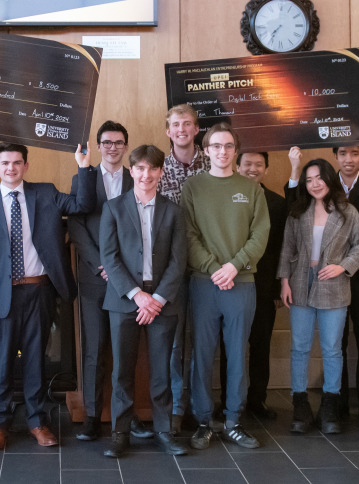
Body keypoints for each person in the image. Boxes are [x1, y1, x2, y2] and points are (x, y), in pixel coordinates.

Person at [0, 142, 96, 450]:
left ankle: (37, 422)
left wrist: (84, 167)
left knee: (36, 360)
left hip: (39, 290)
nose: (11, 168)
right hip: (1, 295)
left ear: (26, 166)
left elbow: (83, 205)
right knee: (0, 362)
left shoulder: (47, 193)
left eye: (17, 162)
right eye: (5, 163)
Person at [286, 135, 359, 424]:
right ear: (335, 157)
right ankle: (335, 403)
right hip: (319, 279)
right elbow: (293, 209)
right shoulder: (318, 187)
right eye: (343, 153)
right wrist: (295, 167)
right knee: (331, 342)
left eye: (355, 153)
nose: (349, 159)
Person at [181, 122, 268, 450]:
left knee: (237, 354)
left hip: (241, 283)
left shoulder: (251, 189)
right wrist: (215, 268)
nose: (222, 151)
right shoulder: (193, 187)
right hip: (204, 284)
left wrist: (233, 266)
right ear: (205, 150)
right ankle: (203, 421)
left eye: (228, 146)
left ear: (235, 150)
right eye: (215, 146)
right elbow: (188, 234)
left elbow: (259, 235)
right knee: (202, 354)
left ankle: (233, 420)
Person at [99, 144, 188, 458]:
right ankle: (120, 434)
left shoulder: (175, 211)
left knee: (162, 370)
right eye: (140, 168)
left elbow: (179, 262)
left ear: (160, 172)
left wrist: (157, 299)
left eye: (152, 169)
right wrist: (138, 297)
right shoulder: (113, 208)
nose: (146, 174)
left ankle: (164, 432)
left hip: (163, 302)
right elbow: (109, 259)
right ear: (131, 170)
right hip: (124, 301)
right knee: (122, 370)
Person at [68, 121, 153, 441]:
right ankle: (92, 415)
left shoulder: (138, 180)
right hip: (95, 279)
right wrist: (101, 264)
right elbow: (76, 226)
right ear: (98, 146)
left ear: (126, 146)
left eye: (119, 142)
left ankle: (126, 415)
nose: (113, 147)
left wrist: (123, 270)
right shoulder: (82, 178)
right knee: (94, 348)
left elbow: (145, 227)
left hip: (130, 281)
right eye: (107, 142)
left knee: (126, 350)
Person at [279, 158, 359, 434]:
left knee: (332, 349)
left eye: (319, 178)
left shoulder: (347, 212)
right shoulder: (298, 212)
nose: (314, 184)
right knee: (300, 348)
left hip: (335, 286)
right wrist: (284, 282)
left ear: (330, 179)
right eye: (309, 180)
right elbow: (287, 248)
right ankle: (300, 405)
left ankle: (330, 406)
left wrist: (342, 266)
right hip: (300, 284)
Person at [219, 151, 287, 420]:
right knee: (229, 345)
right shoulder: (224, 197)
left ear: (266, 169)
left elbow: (283, 249)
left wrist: (276, 288)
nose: (252, 168)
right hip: (230, 284)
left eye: (259, 164)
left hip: (263, 286)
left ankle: (258, 400)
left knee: (261, 344)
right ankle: (227, 400)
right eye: (247, 163)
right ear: (238, 165)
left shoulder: (278, 204)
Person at [157, 104, 210, 432]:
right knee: (175, 342)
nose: (181, 129)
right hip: (172, 270)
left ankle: (202, 407)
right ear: (168, 131)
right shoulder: (158, 168)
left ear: (196, 128)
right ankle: (177, 406)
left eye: (187, 124)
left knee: (204, 340)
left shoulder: (215, 161)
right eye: (175, 125)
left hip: (208, 267)